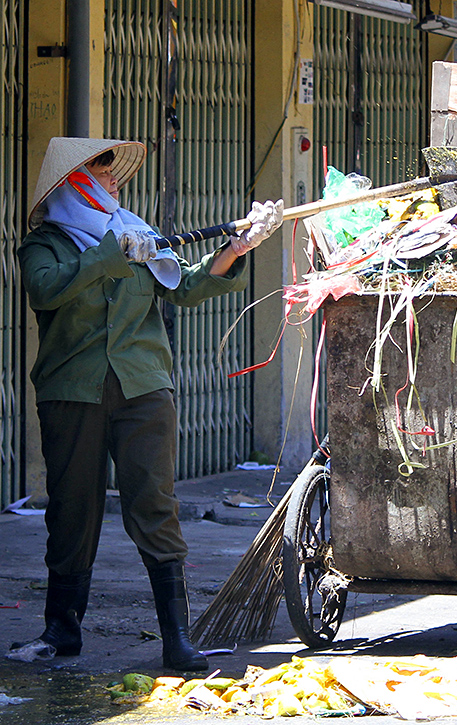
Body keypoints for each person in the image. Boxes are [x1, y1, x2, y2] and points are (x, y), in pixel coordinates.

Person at [13, 137, 283, 671]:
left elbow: (182, 285)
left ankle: (177, 639)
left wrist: (234, 250)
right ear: (74, 182)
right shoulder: (44, 245)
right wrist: (105, 258)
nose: (115, 180)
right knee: (73, 510)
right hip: (73, 393)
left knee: (154, 506)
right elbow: (45, 292)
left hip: (143, 390)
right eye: (102, 171)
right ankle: (60, 631)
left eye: (114, 172)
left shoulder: (135, 230)